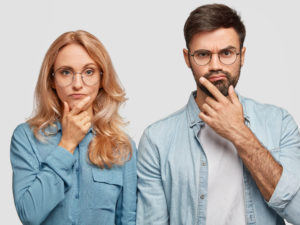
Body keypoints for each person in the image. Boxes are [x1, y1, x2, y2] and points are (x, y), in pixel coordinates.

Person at [137, 4, 300, 225]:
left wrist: (239, 132)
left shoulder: (279, 123)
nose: (215, 66)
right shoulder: (157, 140)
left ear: (242, 55)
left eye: (226, 53)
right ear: (187, 58)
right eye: (203, 54)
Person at [10, 30, 136, 225]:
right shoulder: (26, 137)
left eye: (89, 72)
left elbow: (127, 220)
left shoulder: (122, 145)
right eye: (66, 72)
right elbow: (29, 214)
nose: (78, 84)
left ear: (102, 78)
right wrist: (67, 143)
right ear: (52, 79)